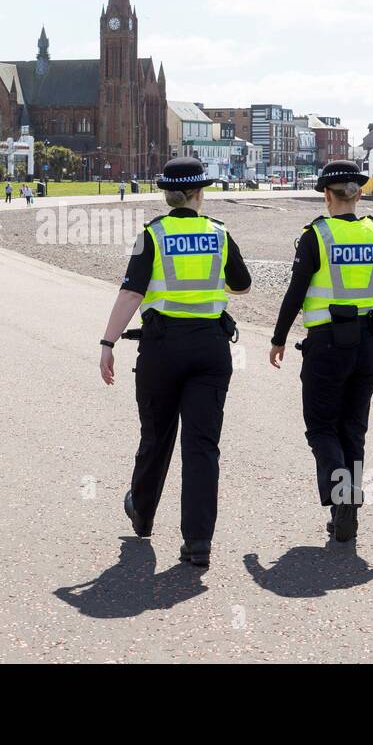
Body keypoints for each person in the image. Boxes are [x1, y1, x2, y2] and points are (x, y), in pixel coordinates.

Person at [98, 156, 252, 568]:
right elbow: (243, 284)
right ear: (200, 193)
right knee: (202, 446)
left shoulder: (152, 234)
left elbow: (131, 293)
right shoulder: (219, 234)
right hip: (210, 348)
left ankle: (143, 514)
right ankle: (198, 541)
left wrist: (108, 342)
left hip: (163, 348)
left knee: (156, 435)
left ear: (168, 195)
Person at [268, 160, 373, 544]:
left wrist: (279, 337)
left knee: (322, 427)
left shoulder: (316, 235)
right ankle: (343, 514)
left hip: (327, 345)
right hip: (370, 345)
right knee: (353, 428)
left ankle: (345, 498)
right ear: (359, 193)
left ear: (326, 195)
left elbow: (296, 292)